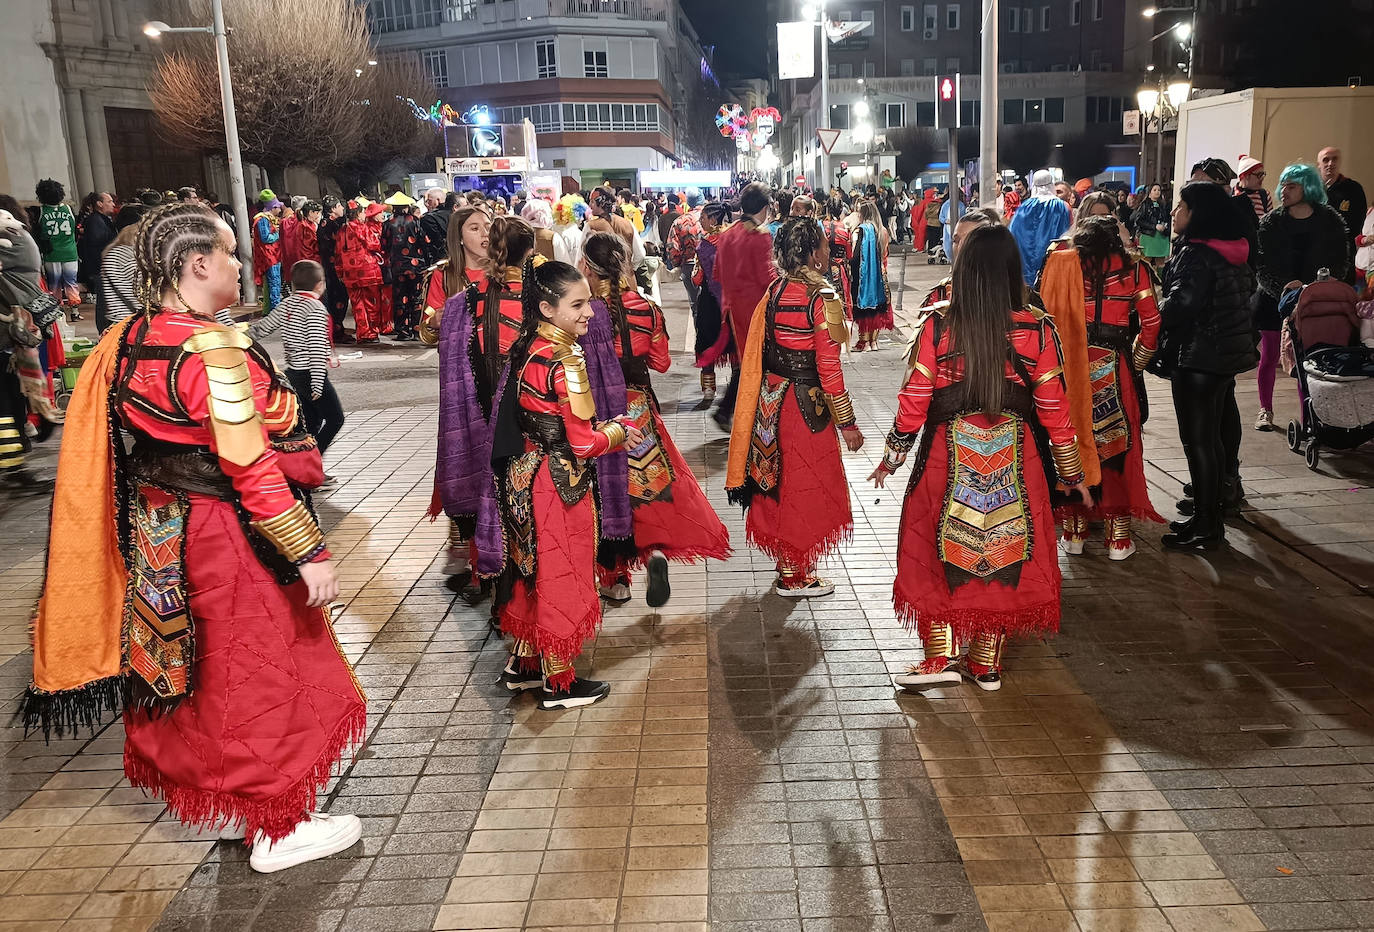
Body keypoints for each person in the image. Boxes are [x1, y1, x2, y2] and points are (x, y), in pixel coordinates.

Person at [24, 202, 365, 873]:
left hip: (161, 532)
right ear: (197, 263)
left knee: (196, 672)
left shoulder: (128, 339)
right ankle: (278, 827)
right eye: (231, 253)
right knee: (260, 669)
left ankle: (254, 812)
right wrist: (308, 550)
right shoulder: (212, 348)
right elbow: (251, 464)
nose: (241, 265)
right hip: (225, 532)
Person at [869, 224, 1090, 690]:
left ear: (964, 270)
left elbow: (914, 400)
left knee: (934, 546)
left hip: (944, 455)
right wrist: (1071, 473)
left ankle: (936, 659)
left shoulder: (937, 323)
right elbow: (1054, 408)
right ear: (1014, 270)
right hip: (1017, 452)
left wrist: (891, 460)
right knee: (1002, 547)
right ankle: (985, 661)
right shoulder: (1038, 329)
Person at [481, 260, 643, 709]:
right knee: (561, 577)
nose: (589, 312)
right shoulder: (566, 360)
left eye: (588, 300)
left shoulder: (528, 348)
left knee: (530, 571)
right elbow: (583, 443)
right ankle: (559, 682)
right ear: (548, 309)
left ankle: (523, 665)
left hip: (521, 478)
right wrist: (618, 433)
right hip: (557, 485)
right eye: (578, 304)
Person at [579, 233, 730, 606]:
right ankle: (653, 552)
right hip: (638, 409)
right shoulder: (647, 308)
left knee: (606, 493)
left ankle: (615, 580)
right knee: (647, 488)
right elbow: (661, 362)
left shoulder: (584, 314)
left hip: (600, 413)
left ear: (589, 268)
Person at [726, 217, 863, 598]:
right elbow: (829, 367)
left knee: (777, 483)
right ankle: (797, 575)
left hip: (771, 401)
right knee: (805, 487)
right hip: (807, 407)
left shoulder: (774, 291)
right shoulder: (823, 297)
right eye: (823, 245)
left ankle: (787, 566)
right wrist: (848, 422)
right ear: (816, 254)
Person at [1040, 216, 1164, 560]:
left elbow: (1043, 314)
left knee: (1071, 442)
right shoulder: (1134, 269)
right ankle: (1118, 540)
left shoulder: (1064, 265)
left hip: (1070, 367)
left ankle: (1075, 534)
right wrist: (1136, 364)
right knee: (1114, 449)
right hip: (1115, 365)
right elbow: (1152, 324)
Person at [435, 215, 535, 606]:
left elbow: (450, 363)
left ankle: (494, 592)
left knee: (486, 500)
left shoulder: (462, 302)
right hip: (527, 426)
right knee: (525, 513)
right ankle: (521, 600)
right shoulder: (541, 299)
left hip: (476, 421)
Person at [1157, 182, 1258, 550]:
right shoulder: (1232, 252)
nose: (1173, 212)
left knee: (1197, 442)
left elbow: (1182, 303)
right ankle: (1207, 518)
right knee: (1212, 441)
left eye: (1181, 205)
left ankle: (1206, 524)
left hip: (1198, 357)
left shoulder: (1196, 255)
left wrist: (1150, 314)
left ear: (1199, 213)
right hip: (1222, 358)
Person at [1253, 164, 1351, 430]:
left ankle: (1310, 418)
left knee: (1307, 361)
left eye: (1291, 185)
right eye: (1283, 185)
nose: (1284, 191)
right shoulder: (1271, 222)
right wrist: (1286, 289)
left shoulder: (1328, 220)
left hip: (1315, 302)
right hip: (1275, 300)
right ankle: (1265, 409)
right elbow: (1261, 266)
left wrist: (1316, 287)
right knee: (1270, 356)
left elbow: (1340, 261)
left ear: (1306, 187)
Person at [251, 260, 343, 460]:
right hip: (311, 374)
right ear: (320, 284)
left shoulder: (287, 304)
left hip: (293, 374)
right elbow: (316, 348)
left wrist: (238, 335)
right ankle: (313, 461)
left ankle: (305, 467)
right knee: (335, 419)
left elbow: (263, 328)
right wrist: (318, 383)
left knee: (310, 423)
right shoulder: (315, 308)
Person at [709, 182, 774, 430]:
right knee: (755, 365)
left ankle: (727, 411)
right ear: (765, 208)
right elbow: (766, 278)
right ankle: (745, 415)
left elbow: (716, 273)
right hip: (754, 310)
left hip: (731, 309)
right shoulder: (760, 236)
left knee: (744, 365)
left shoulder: (726, 233)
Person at [419, 204, 490, 347]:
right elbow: (427, 333)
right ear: (459, 237)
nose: (485, 233)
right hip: (457, 360)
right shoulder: (444, 274)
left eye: (489, 227)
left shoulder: (506, 272)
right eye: (475, 229)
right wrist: (434, 322)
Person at [917, 207, 1001, 308]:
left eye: (971, 240)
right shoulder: (940, 295)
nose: (961, 246)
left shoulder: (1008, 292)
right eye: (956, 240)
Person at [690, 202, 731, 404]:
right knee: (735, 344)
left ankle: (708, 388)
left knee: (707, 342)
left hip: (710, 302)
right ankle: (738, 385)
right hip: (732, 302)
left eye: (703, 218)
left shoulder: (703, 246)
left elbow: (697, 279)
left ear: (713, 219)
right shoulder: (733, 240)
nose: (701, 221)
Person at [1009, 170, 1074, 286]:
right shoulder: (1062, 207)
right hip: (1055, 270)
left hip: (1026, 270)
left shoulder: (1024, 207)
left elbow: (1014, 234)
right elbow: (1069, 236)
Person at [335, 200, 385, 344]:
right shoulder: (362, 228)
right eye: (363, 212)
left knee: (357, 304)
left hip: (349, 273)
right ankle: (371, 333)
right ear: (357, 214)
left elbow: (337, 255)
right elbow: (374, 244)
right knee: (371, 303)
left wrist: (339, 273)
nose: (365, 214)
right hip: (367, 271)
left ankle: (362, 333)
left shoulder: (342, 230)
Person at [35, 179, 82, 320]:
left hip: (52, 253)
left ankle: (57, 311)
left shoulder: (41, 211)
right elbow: (75, 230)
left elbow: (39, 233)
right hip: (70, 251)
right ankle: (75, 311)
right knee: (71, 281)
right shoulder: (68, 209)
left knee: (54, 283)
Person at [1318, 147, 1366, 285]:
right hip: (1315, 253)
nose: (1330, 163)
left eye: (1335, 159)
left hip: (1343, 255)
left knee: (1341, 297)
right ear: (1318, 164)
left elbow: (1358, 224)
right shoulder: (1312, 190)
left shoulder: (1353, 189)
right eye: (1326, 159)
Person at [381, 193, 425, 342]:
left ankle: (403, 331)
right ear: (407, 207)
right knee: (416, 298)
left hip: (397, 266)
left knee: (400, 298)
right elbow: (424, 242)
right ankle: (417, 331)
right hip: (415, 265)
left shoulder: (387, 223)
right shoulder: (416, 221)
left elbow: (384, 246)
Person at [851, 199, 892, 351]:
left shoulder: (861, 230)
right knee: (877, 306)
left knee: (863, 304)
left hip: (863, 273)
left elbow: (856, 256)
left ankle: (863, 342)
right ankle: (874, 342)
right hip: (881, 273)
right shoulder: (882, 231)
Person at [315, 197, 352, 344]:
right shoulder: (332, 225)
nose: (342, 209)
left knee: (335, 298)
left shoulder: (325, 223)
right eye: (339, 206)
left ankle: (336, 329)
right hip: (335, 268)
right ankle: (337, 330)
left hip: (329, 267)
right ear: (332, 209)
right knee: (338, 298)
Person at [666, 193, 703, 309]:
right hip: (711, 265)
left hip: (688, 265)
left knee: (695, 304)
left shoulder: (680, 221)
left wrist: (677, 263)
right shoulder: (711, 217)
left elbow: (672, 246)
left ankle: (698, 326)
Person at [78, 192, 117, 298]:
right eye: (109, 201)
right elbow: (99, 246)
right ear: (99, 204)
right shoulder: (95, 221)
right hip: (100, 269)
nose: (113, 204)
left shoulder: (103, 219)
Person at [253, 198, 285, 311]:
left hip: (273, 255)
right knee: (274, 283)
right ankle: (275, 312)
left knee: (270, 284)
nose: (280, 209)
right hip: (270, 256)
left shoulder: (268, 219)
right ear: (273, 207)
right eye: (278, 207)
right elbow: (265, 237)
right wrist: (278, 234)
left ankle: (268, 310)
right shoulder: (263, 220)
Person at [1132, 183, 1171, 270]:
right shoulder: (1144, 205)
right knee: (1146, 261)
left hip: (1161, 237)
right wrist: (1154, 226)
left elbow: (1167, 219)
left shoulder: (1163, 205)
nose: (1157, 192)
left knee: (1161, 262)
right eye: (1155, 190)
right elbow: (1139, 221)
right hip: (1149, 236)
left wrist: (1165, 226)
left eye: (1159, 190)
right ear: (1149, 193)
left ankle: (1160, 281)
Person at [420, 189, 457, 266]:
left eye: (429, 201)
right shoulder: (456, 216)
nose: (426, 204)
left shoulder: (428, 218)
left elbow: (436, 241)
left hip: (439, 259)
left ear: (438, 200)